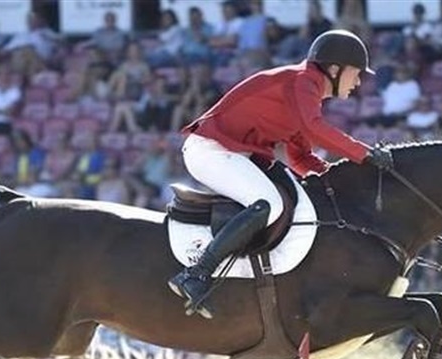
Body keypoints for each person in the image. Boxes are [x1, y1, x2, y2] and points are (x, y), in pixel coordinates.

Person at [167, 29, 393, 318]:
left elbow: (300, 156)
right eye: (356, 73)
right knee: (268, 204)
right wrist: (365, 154)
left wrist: (337, 179)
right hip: (212, 150)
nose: (358, 82)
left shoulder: (305, 90)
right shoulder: (303, 81)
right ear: (335, 70)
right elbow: (314, 129)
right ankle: (197, 273)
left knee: (287, 195)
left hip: (234, 154)